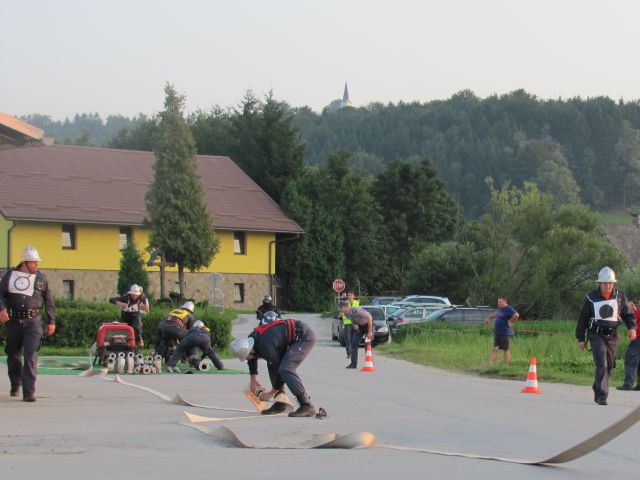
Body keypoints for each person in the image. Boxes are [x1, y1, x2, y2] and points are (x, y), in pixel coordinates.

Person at [0, 245, 56, 402]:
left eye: (37, 262)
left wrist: (51, 321)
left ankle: (29, 391)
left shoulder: (41, 278)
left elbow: (49, 300)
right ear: (24, 262)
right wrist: (1, 309)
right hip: (13, 321)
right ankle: (15, 384)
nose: (36, 265)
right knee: (13, 354)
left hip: (34, 322)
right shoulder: (10, 276)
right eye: (33, 262)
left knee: (30, 355)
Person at [231, 317, 316, 417]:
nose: (246, 359)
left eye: (245, 357)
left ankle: (306, 405)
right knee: (272, 365)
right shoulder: (251, 341)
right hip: (289, 336)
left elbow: (277, 368)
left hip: (303, 337)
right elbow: (252, 359)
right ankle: (280, 403)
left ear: (249, 351)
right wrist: (253, 381)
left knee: (285, 369)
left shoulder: (265, 346)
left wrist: (270, 394)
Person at [577, 266, 637, 405]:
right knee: (602, 363)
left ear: (614, 283)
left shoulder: (620, 297)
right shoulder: (591, 298)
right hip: (596, 335)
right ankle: (602, 395)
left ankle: (597, 386)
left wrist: (632, 328)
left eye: (610, 283)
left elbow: (628, 315)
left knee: (609, 365)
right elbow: (583, 319)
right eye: (605, 283)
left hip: (612, 336)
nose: (608, 286)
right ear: (600, 283)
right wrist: (581, 338)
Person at [484, 296, 519, 367]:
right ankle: (491, 365)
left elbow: (516, 315)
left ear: (505, 301)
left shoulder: (508, 309)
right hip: (497, 332)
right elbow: (496, 314)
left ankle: (506, 366)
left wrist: (510, 321)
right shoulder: (500, 309)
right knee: (495, 348)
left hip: (505, 333)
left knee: (506, 349)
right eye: (498, 302)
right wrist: (489, 318)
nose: (498, 303)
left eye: (500, 302)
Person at [337, 300, 373, 369]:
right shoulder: (346, 314)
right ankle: (353, 364)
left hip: (368, 325)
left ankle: (369, 362)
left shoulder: (355, 310)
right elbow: (353, 321)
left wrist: (370, 332)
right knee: (354, 343)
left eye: (341, 308)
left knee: (367, 343)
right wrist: (355, 325)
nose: (340, 310)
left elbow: (369, 317)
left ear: (346, 307)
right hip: (360, 326)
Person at [617, 300, 640, 391]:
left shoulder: (636, 313)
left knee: (630, 360)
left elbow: (633, 319)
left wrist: (631, 310)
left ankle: (628, 384)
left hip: (638, 338)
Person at [338, 291, 360, 358]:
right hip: (347, 323)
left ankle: (354, 353)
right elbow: (340, 308)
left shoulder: (357, 303)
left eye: (351, 295)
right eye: (348, 295)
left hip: (355, 323)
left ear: (354, 296)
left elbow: (359, 312)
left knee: (354, 339)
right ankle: (349, 353)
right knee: (348, 339)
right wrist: (342, 299)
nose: (349, 296)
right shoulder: (345, 302)